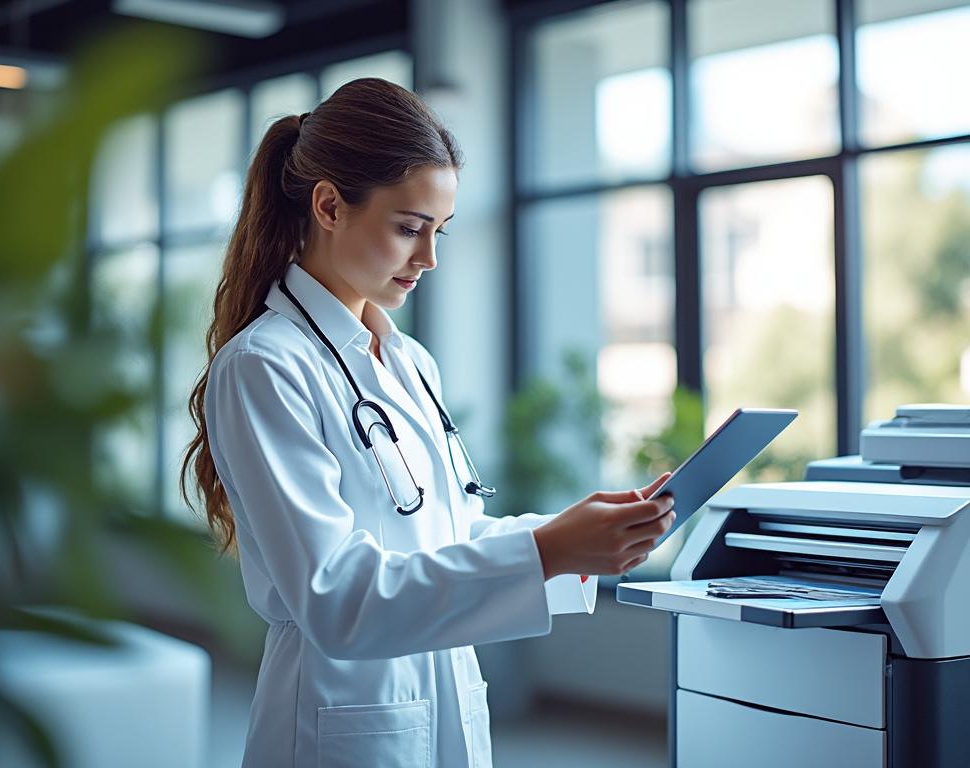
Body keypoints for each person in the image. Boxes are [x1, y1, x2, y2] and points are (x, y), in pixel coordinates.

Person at [182, 77, 675, 768]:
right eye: (409, 228)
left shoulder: (408, 361)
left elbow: (446, 534)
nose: (430, 258)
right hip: (340, 722)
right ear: (329, 205)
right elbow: (338, 599)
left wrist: (571, 532)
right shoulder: (265, 366)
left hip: (444, 700)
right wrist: (548, 551)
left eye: (438, 231)